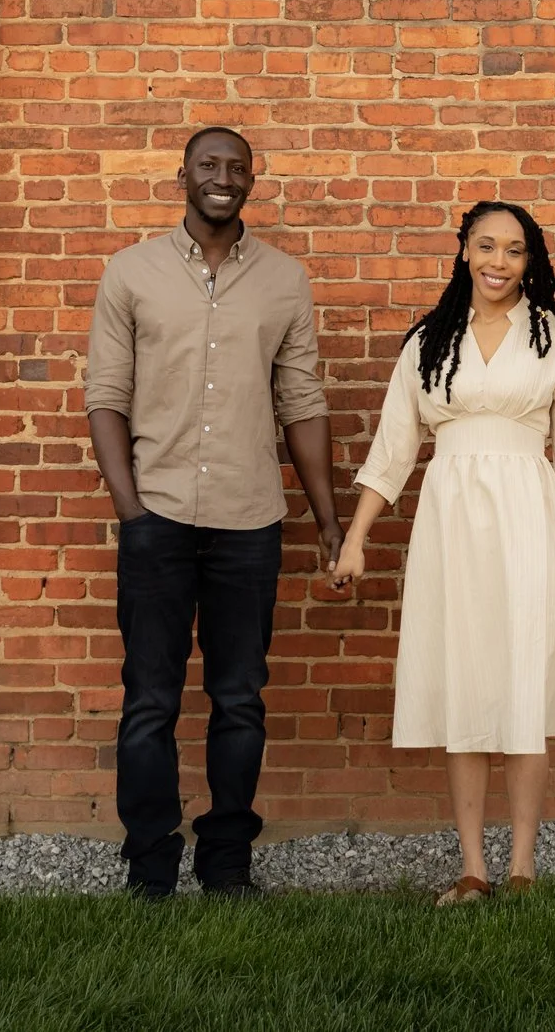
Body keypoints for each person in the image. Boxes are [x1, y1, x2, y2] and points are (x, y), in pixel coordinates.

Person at [85, 126, 341, 899]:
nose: (222, 177)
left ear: (252, 181)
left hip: (249, 520)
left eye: (236, 167)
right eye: (208, 165)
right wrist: (132, 510)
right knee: (150, 700)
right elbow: (106, 398)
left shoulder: (285, 281)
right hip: (156, 516)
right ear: (182, 176)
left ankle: (228, 864)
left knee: (239, 698)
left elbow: (300, 401)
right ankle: (150, 865)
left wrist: (327, 519)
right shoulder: (130, 273)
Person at [327, 200, 555, 905]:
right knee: (464, 681)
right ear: (464, 252)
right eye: (486, 245)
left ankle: (524, 869)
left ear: (529, 260)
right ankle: (474, 868)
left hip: (530, 518)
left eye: (514, 249)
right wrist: (356, 537)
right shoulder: (427, 343)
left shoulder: (554, 337)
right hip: (451, 523)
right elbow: (393, 450)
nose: (499, 262)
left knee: (522, 684)